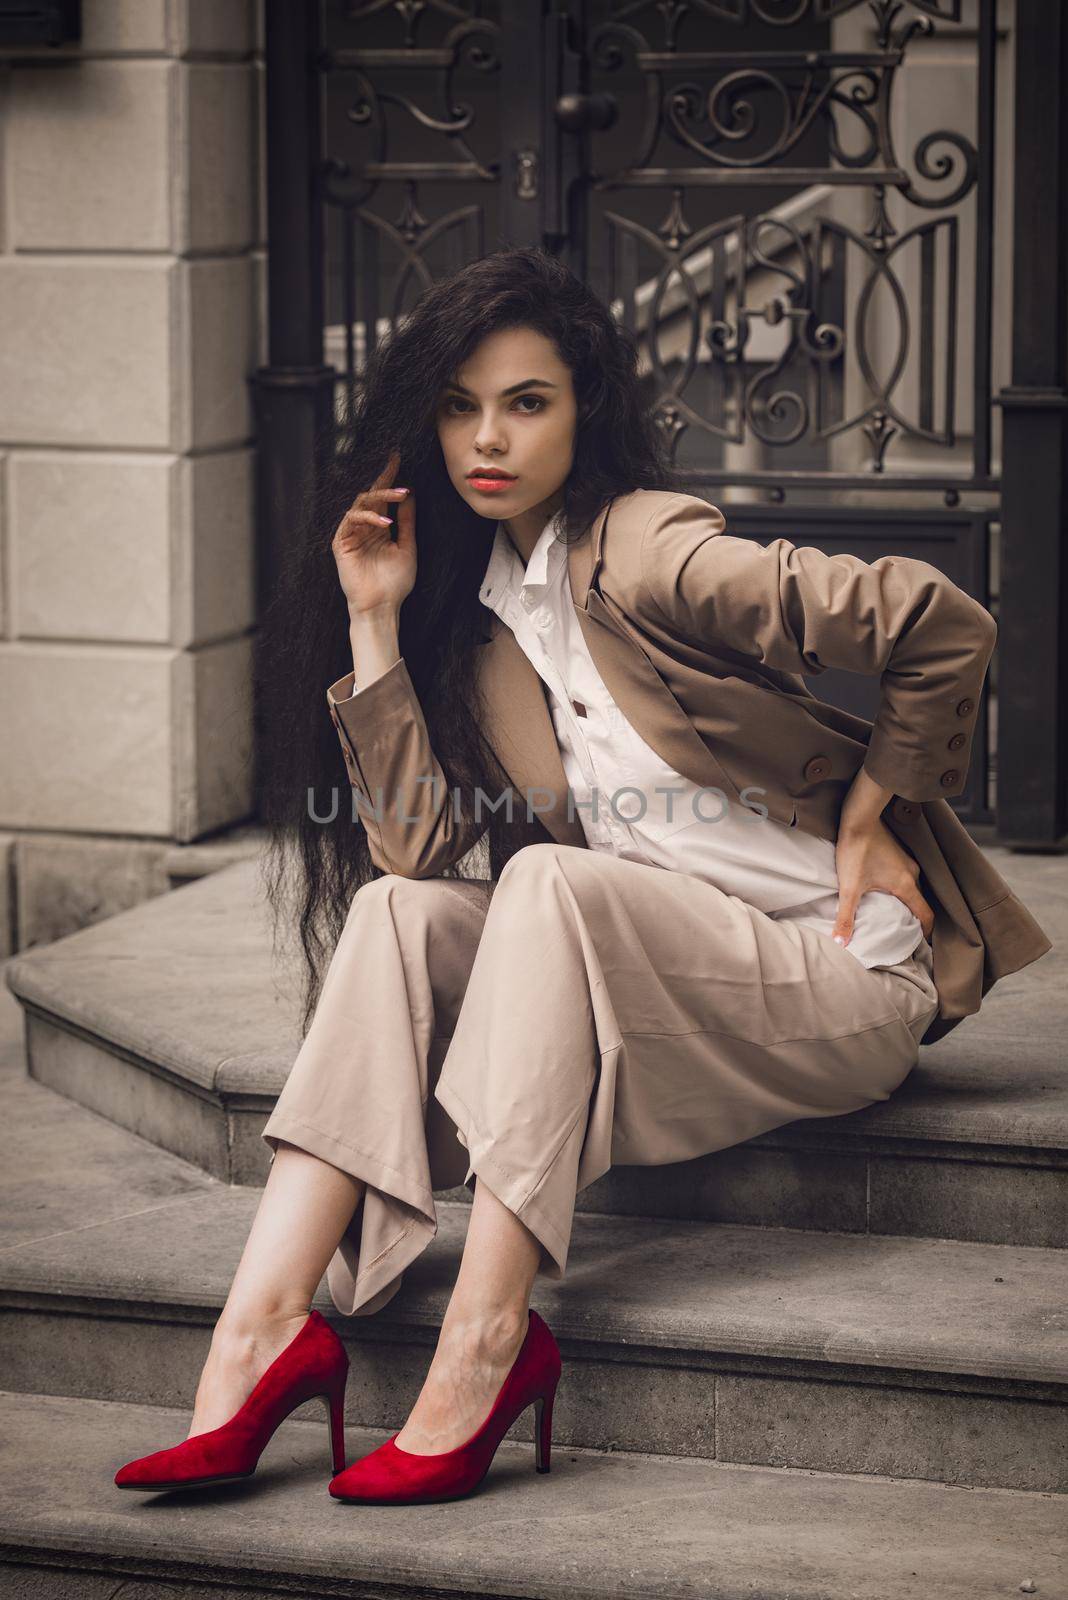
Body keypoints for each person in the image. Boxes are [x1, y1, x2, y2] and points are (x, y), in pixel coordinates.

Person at [113, 246, 1050, 1506]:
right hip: (665, 975)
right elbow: (415, 857)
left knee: (551, 882)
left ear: (584, 410)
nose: (485, 437)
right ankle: (260, 1334)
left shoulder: (656, 551)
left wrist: (883, 806)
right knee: (395, 911)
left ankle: (489, 1343)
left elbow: (943, 622)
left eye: (526, 401)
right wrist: (375, 622)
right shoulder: (489, 617)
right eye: (458, 405)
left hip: (837, 977)